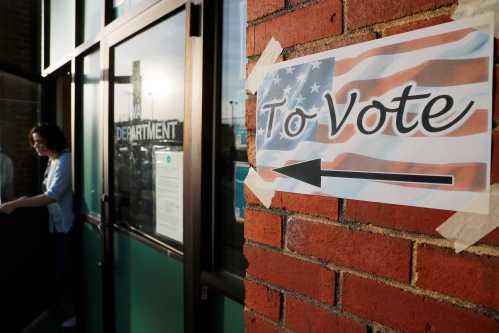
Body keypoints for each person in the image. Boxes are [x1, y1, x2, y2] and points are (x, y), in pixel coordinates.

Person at [0, 123, 76, 328]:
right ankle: (63, 309)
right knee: (58, 270)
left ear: (52, 140)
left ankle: (72, 312)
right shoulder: (53, 161)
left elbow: (52, 196)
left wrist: (18, 203)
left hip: (66, 226)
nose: (35, 146)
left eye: (40, 142)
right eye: (34, 142)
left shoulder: (65, 160)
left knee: (65, 271)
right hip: (56, 226)